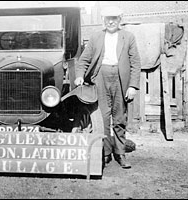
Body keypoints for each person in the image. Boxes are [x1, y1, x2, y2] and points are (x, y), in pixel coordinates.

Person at [74, 6, 141, 169]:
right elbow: (84, 60)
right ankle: (104, 153)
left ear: (120, 20)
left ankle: (120, 153)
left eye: (114, 18)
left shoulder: (128, 37)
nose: (111, 21)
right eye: (108, 19)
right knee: (102, 118)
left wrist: (132, 86)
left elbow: (136, 63)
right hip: (100, 78)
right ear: (103, 21)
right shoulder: (96, 37)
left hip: (120, 80)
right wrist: (80, 75)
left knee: (119, 118)